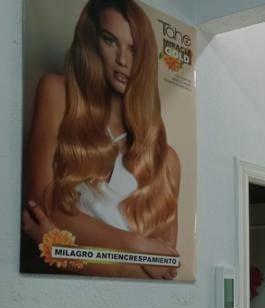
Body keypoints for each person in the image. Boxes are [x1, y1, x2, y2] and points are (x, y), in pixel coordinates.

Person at [22, 0, 181, 279]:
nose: (123, 60)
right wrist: (137, 246)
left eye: (134, 49)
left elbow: (163, 270)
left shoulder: (166, 159)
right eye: (111, 40)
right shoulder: (57, 95)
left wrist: (65, 255)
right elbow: (41, 207)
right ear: (92, 41)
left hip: (128, 304)